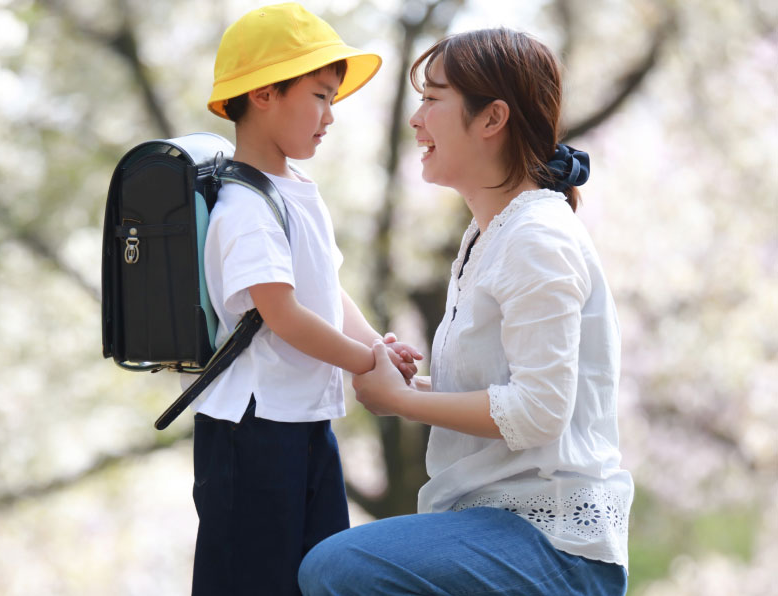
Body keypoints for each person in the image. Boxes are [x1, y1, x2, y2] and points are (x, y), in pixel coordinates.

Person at [297, 28, 634, 595]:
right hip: (494, 524)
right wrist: (411, 384)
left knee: (337, 567)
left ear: (491, 118)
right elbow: (507, 394)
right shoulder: (488, 236)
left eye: (432, 99)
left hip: (556, 548)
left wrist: (402, 402)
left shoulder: (537, 238)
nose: (416, 119)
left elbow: (539, 412)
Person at [189, 4, 424, 596]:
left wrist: (377, 347)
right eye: (319, 95)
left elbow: (326, 289)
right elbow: (282, 314)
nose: (330, 116)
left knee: (320, 577)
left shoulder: (295, 191)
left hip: (304, 422)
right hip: (253, 430)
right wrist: (363, 363)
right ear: (265, 93)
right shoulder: (243, 207)